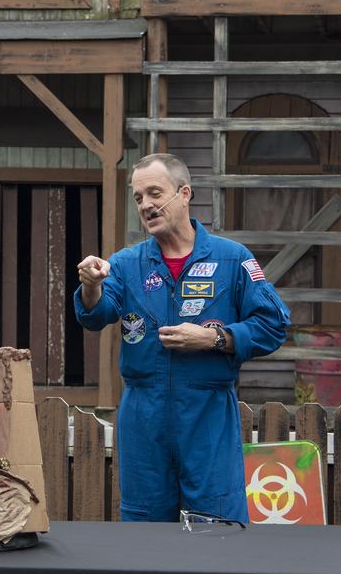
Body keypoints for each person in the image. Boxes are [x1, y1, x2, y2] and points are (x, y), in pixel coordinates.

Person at [74, 153, 290, 524]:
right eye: (138, 197)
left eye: (154, 193)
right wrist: (90, 286)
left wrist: (214, 339)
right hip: (144, 415)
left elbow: (273, 325)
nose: (146, 205)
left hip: (207, 415)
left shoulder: (231, 259)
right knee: (144, 536)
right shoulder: (127, 264)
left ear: (184, 193)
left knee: (217, 528)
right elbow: (97, 314)